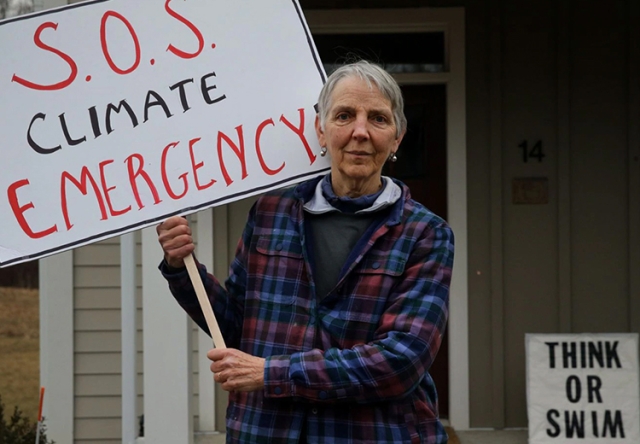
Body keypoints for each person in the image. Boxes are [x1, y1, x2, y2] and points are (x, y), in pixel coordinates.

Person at [156, 60, 455, 443]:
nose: (359, 132)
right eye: (344, 115)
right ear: (320, 129)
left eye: (378, 119)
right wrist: (182, 269)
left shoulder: (425, 234)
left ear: (397, 137)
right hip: (267, 432)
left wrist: (271, 373)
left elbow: (401, 361)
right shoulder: (270, 214)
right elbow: (236, 326)